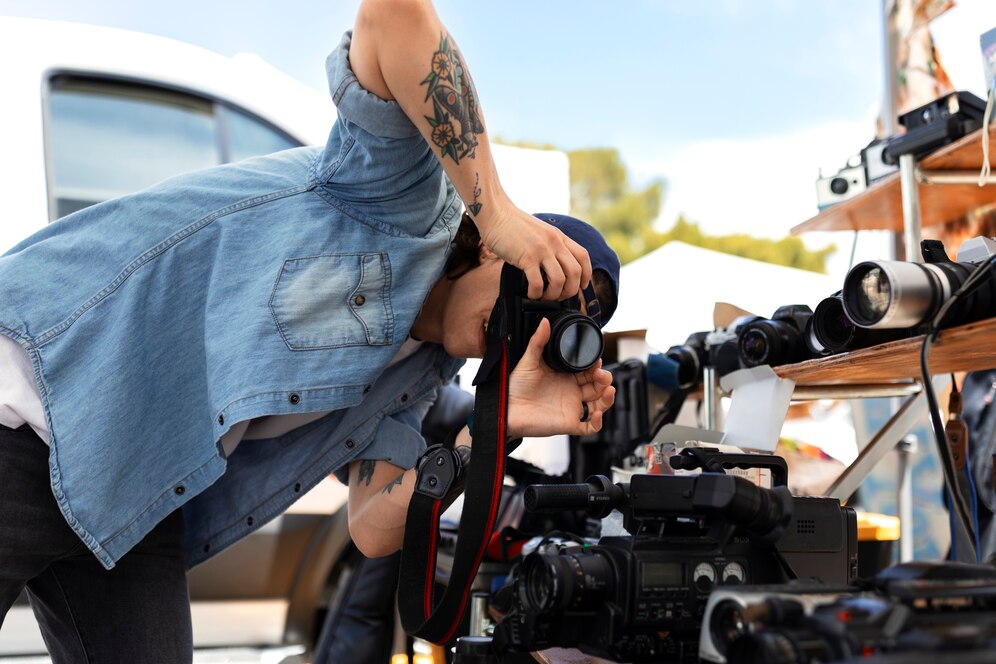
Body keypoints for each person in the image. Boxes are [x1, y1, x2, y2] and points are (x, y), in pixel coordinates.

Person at [0, 0, 619, 661]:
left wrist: (499, 425)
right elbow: (394, 15)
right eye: (542, 286)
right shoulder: (403, 198)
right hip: (42, 405)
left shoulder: (415, 379)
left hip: (136, 487)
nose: (535, 324)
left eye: (556, 325)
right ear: (500, 252)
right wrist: (494, 206)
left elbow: (375, 528)